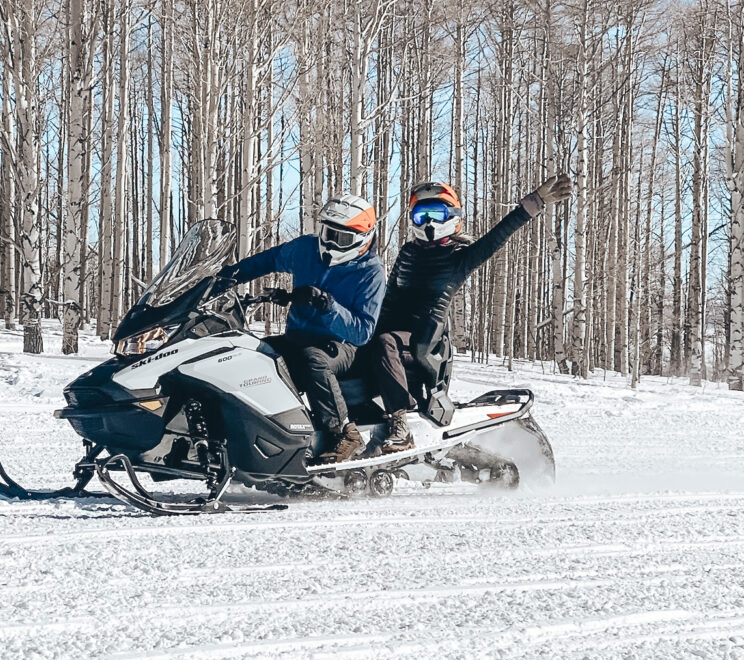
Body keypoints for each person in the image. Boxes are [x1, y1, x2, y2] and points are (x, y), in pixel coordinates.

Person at [368, 175, 573, 452]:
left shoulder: (458, 256)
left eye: (436, 213)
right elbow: (389, 298)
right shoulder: (407, 253)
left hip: (424, 339)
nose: (428, 222)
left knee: (385, 343)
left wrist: (534, 203)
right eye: (421, 215)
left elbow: (496, 237)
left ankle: (401, 427)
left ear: (451, 216)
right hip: (394, 333)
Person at [227, 195, 386, 464]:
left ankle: (343, 432)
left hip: (341, 346)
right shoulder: (306, 250)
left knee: (313, 359)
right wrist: (227, 276)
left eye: (343, 239)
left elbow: (363, 332)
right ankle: (266, 431)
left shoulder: (370, 272)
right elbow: (269, 259)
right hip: (297, 337)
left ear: (362, 238)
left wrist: (327, 305)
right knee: (253, 354)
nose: (332, 243)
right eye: (328, 233)